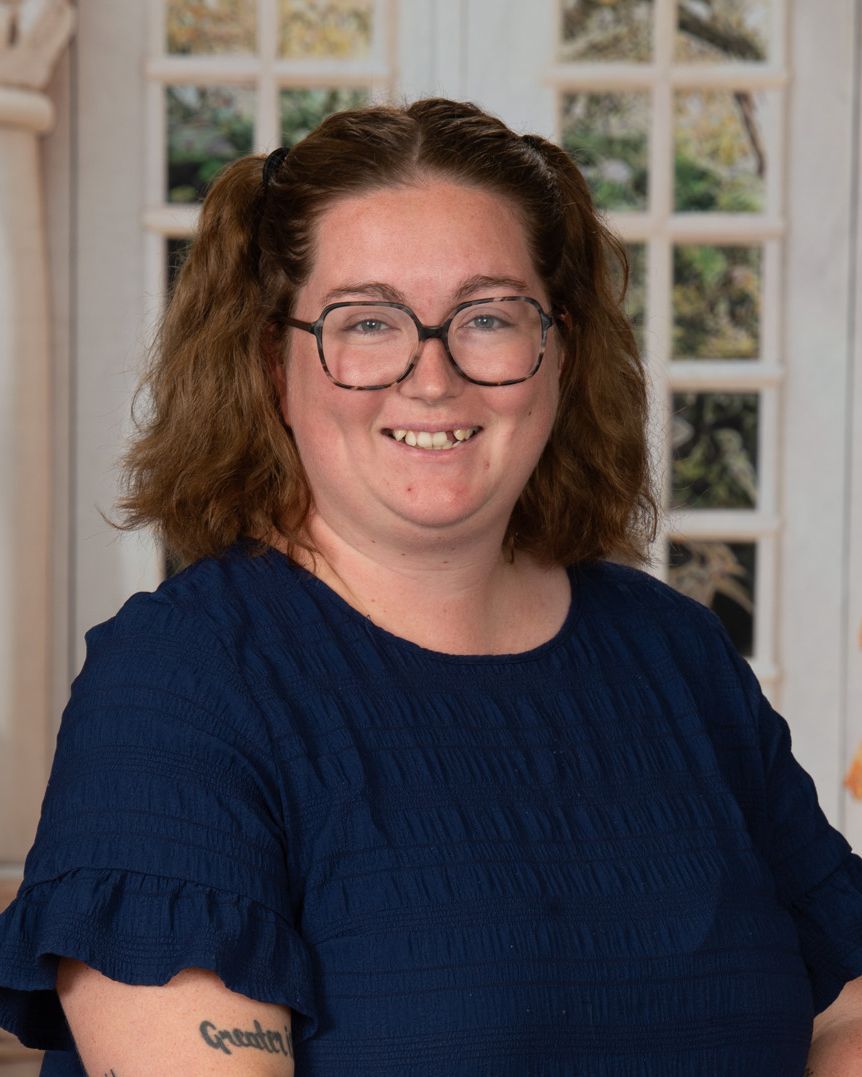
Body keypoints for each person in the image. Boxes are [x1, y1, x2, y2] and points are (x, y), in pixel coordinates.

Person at [0, 97, 860, 1077]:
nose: (433, 376)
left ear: (559, 352)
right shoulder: (174, 691)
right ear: (269, 362)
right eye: (367, 322)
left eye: (487, 316)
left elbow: (844, 1002)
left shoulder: (675, 656)